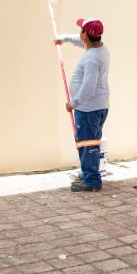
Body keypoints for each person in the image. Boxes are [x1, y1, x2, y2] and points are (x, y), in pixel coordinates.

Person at [55, 17, 110, 192]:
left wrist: (74, 102)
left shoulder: (92, 59)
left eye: (81, 31)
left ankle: (92, 180)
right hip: (98, 106)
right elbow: (80, 41)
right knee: (88, 142)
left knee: (87, 144)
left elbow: (88, 86)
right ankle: (88, 173)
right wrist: (63, 38)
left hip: (88, 108)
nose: (79, 34)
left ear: (85, 34)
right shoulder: (100, 49)